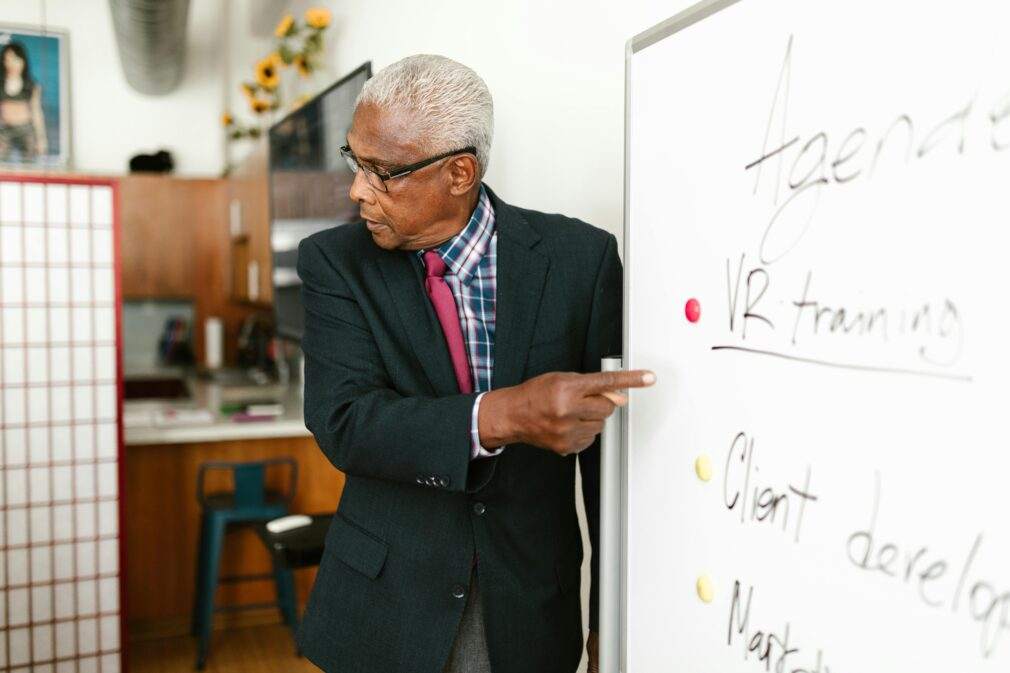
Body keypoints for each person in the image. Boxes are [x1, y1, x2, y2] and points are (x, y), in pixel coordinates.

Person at [296, 54, 655, 673]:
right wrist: (504, 414)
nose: (358, 189)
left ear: (459, 172)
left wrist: (610, 622)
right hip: (386, 603)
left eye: (382, 172)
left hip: (529, 605)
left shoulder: (582, 260)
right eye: (355, 162)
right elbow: (346, 422)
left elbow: (609, 470)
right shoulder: (334, 262)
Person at [0, 41, 48, 162]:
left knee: (29, 166)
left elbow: (37, 113)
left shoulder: (32, 85)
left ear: (23, 61)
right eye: (7, 60)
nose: (11, 64)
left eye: (16, 59)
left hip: (26, 130)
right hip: (4, 130)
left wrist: (41, 139)